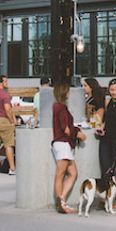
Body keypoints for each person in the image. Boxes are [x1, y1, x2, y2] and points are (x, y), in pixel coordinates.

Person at [51, 80, 84, 214]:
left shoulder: (57, 106)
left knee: (72, 173)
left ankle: (62, 199)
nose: (70, 93)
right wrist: (77, 134)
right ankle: (61, 203)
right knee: (61, 174)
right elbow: (66, 130)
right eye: (68, 91)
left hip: (61, 143)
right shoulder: (61, 108)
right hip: (63, 143)